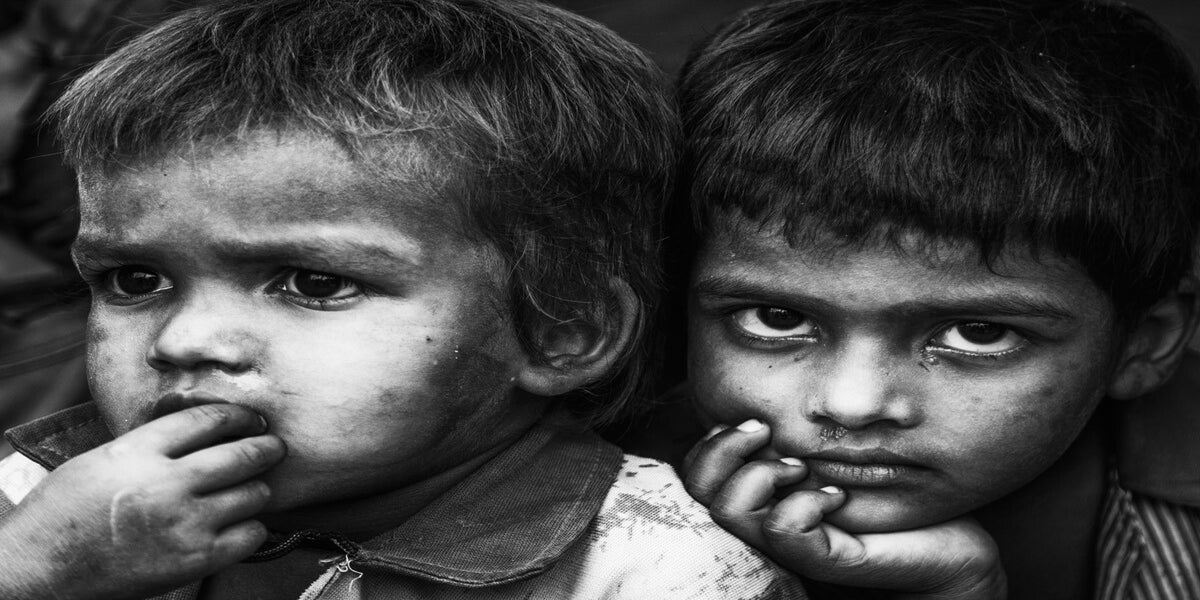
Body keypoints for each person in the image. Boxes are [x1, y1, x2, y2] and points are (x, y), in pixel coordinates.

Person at [0, 1, 805, 598]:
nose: (184, 340)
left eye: (314, 282)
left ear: (559, 331)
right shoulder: (40, 503)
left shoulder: (654, 566)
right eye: (134, 281)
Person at [667, 0, 1200, 598]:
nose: (852, 404)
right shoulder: (605, 515)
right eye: (778, 318)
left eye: (977, 333)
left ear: (1145, 342)